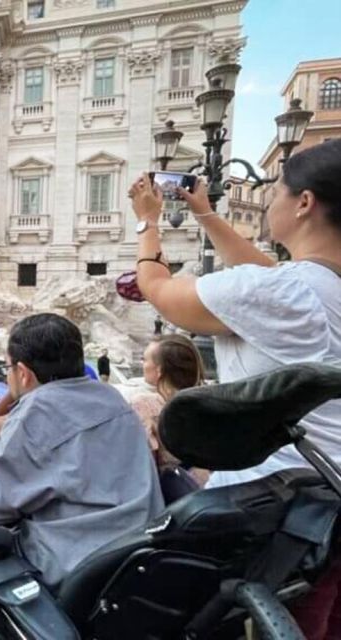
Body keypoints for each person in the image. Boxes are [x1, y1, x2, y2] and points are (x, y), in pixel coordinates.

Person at [129, 139, 341, 638]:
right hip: (328, 509)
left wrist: (147, 223)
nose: (270, 201)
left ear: (304, 202)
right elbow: (270, 278)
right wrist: (204, 213)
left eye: (279, 192)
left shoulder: (277, 292)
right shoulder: (309, 288)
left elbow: (158, 290)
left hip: (274, 512)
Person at [0, 314, 163, 615]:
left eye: (9, 368)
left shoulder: (36, 412)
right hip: (139, 552)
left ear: (23, 373)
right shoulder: (111, 398)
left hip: (75, 565)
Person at [130, 335, 208, 499]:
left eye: (145, 360)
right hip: (204, 488)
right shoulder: (206, 402)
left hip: (169, 495)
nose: (142, 364)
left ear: (160, 370)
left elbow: (143, 464)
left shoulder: (144, 404)